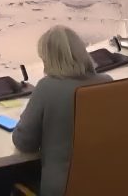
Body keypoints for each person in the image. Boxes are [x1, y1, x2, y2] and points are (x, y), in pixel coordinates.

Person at [12, 26, 112, 196]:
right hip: (105, 183)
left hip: (62, 189)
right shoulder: (107, 82)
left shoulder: (46, 88)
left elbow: (24, 142)